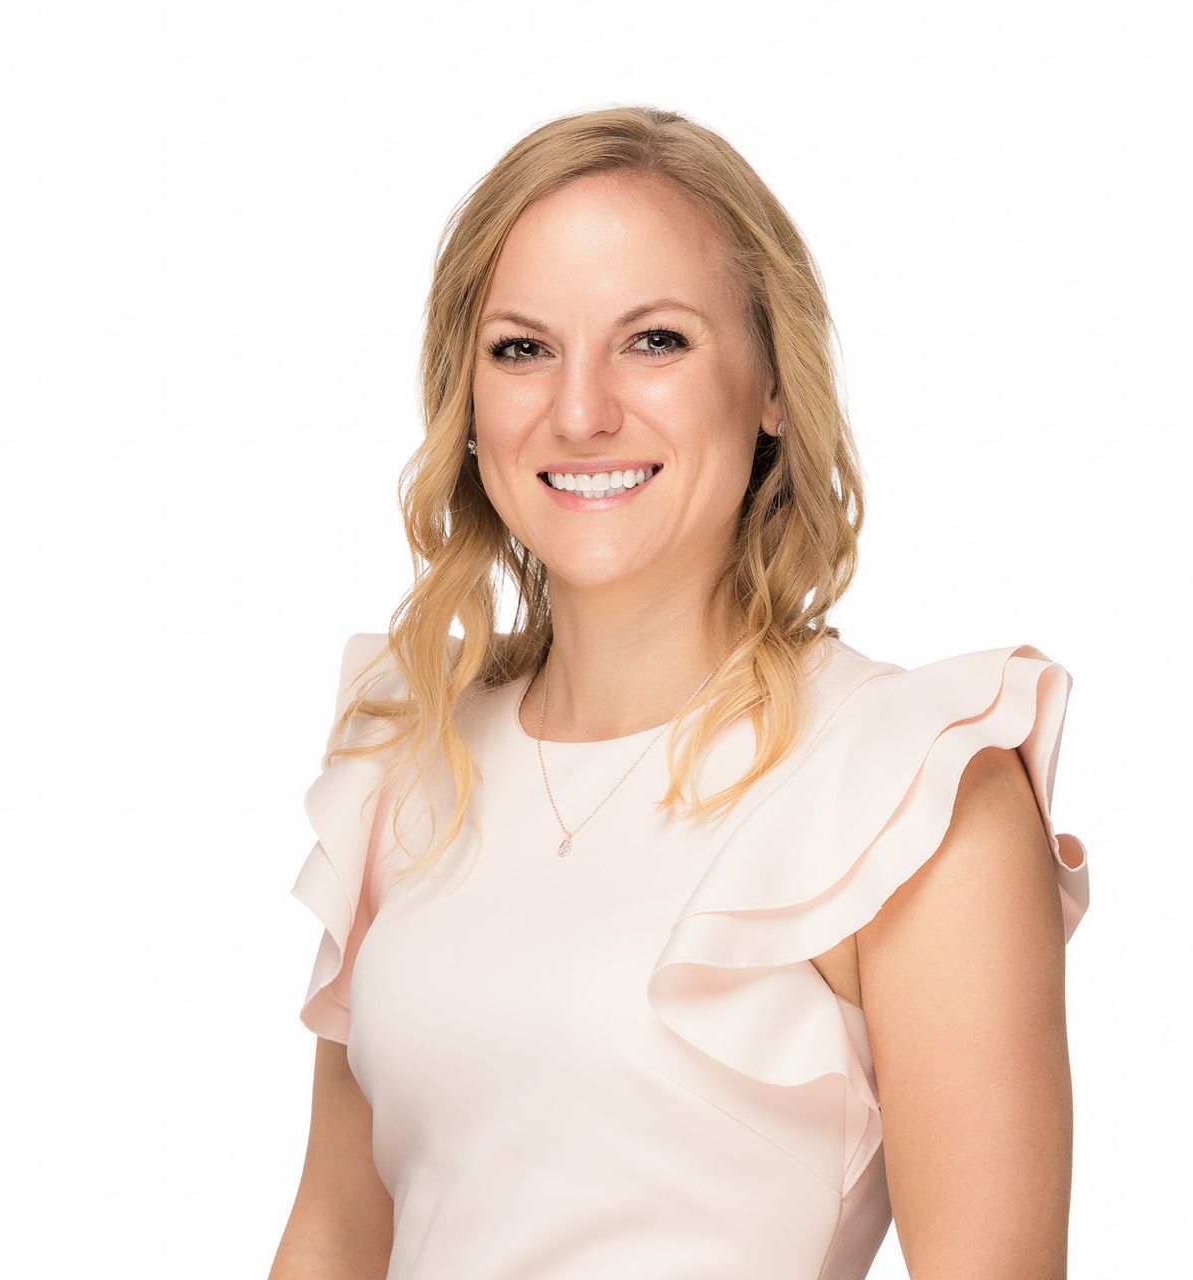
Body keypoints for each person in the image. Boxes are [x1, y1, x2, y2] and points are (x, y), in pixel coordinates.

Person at [268, 106, 1091, 1280]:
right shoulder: (408, 758)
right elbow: (335, 1236)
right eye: (521, 347)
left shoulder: (911, 784)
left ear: (770, 385)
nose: (582, 410)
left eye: (654, 340)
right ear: (467, 399)